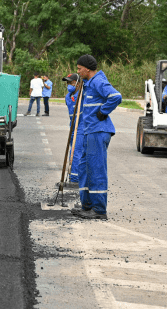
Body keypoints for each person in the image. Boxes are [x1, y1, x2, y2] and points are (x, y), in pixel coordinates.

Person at [72, 54, 122, 220]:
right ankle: (87, 206)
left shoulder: (99, 81)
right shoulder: (89, 84)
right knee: (84, 168)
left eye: (79, 69)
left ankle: (99, 210)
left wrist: (103, 111)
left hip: (98, 131)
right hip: (89, 131)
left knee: (96, 169)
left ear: (87, 69)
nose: (78, 72)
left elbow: (115, 96)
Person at [62, 73, 82, 189]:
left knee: (76, 152)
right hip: (72, 127)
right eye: (68, 83)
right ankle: (72, 175)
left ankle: (75, 179)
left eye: (71, 82)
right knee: (72, 151)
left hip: (81, 127)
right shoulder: (67, 97)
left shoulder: (82, 95)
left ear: (78, 84)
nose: (69, 85)